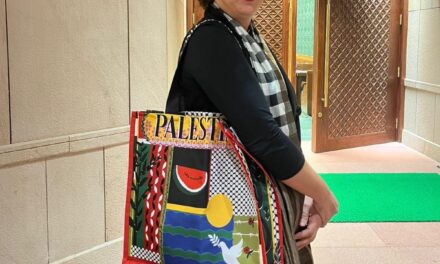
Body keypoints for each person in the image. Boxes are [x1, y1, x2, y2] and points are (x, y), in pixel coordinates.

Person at [166, 0, 338, 263]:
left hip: (274, 203)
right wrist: (322, 195)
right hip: (234, 213)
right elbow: (263, 137)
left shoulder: (249, 38)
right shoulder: (211, 39)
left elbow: (283, 129)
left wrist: (300, 194)